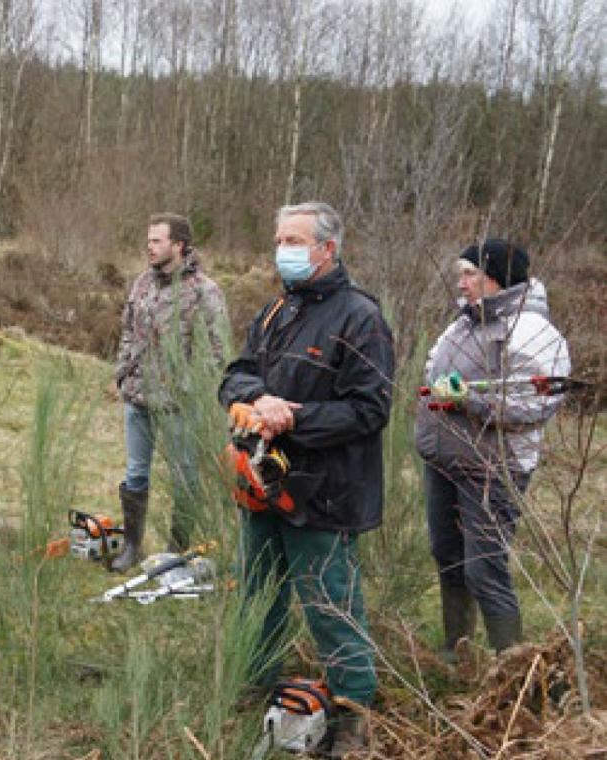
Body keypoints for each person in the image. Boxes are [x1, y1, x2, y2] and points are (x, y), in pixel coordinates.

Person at [219, 202, 394, 756]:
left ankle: (353, 714)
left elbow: (370, 409)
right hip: (262, 482)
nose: (282, 250)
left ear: (327, 249)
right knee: (258, 592)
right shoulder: (276, 310)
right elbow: (237, 372)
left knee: (330, 602)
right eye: (278, 238)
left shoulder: (360, 317)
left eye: (293, 240)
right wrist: (253, 399)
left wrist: (296, 417)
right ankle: (257, 689)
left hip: (326, 489)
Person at [415, 240, 569, 658]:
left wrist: (469, 400)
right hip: (445, 460)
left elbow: (537, 404)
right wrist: (444, 395)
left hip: (492, 468)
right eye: (460, 273)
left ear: (497, 277)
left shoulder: (531, 331)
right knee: (448, 558)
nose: (461, 283)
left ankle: (513, 674)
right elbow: (434, 370)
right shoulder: (462, 324)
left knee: (484, 569)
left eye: (470, 274)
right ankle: (457, 656)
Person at [109, 213, 228, 573]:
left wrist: (187, 386)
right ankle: (131, 546)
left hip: (179, 405)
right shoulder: (142, 283)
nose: (149, 246)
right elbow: (128, 328)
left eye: (157, 240)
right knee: (136, 472)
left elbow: (218, 351)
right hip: (138, 396)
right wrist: (123, 368)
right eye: (148, 240)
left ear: (178, 245)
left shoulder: (204, 291)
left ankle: (177, 552)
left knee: (185, 475)